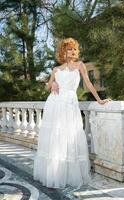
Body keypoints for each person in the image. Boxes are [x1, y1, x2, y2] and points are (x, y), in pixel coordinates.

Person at [33, 37, 111, 189]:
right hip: (54, 104)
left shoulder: (79, 65)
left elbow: (88, 83)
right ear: (63, 51)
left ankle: (68, 173)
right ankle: (55, 174)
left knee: (70, 136)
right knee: (56, 138)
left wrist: (100, 100)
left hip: (70, 103)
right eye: (69, 49)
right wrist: (53, 83)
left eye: (74, 49)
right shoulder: (56, 69)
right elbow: (47, 87)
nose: (73, 51)